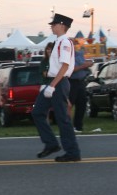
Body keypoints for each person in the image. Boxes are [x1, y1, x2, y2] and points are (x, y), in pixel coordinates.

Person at [31, 13, 81, 162]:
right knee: (37, 112)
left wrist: (52, 85)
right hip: (53, 82)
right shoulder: (58, 42)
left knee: (62, 118)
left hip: (58, 83)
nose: (52, 26)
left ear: (61, 25)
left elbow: (65, 66)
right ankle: (51, 144)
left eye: (54, 24)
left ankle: (72, 152)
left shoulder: (64, 42)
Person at [68, 38, 93, 133]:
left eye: (75, 43)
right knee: (69, 104)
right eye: (73, 43)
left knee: (82, 104)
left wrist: (87, 65)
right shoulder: (67, 56)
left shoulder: (79, 54)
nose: (75, 45)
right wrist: (83, 66)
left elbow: (84, 64)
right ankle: (68, 126)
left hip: (81, 82)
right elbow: (71, 69)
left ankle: (78, 126)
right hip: (71, 82)